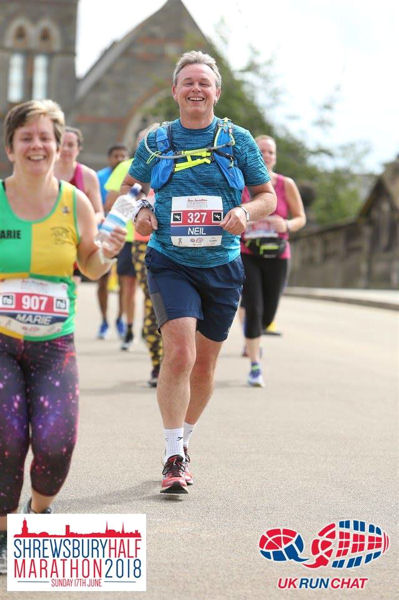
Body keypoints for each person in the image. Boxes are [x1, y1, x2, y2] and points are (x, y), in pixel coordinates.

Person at [120, 50, 276, 494]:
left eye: (203, 83)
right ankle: (172, 454)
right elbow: (128, 190)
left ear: (216, 92)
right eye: (187, 81)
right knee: (181, 354)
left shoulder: (237, 139)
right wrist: (143, 211)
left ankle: (184, 442)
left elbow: (267, 196)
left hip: (223, 264)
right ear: (175, 91)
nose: (195, 89)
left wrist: (246, 211)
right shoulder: (156, 140)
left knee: (205, 366)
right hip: (170, 260)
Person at [0, 100, 125, 574]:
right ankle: (1, 531)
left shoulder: (76, 203)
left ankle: (38, 514)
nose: (37, 145)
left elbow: (90, 266)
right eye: (26, 137)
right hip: (0, 343)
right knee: (4, 438)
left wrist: (108, 252)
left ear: (58, 146)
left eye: (45, 137)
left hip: (55, 346)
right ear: (11, 147)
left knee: (56, 442)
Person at [240, 135, 306, 387]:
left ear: (275, 157)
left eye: (270, 152)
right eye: (261, 151)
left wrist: (286, 223)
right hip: (248, 253)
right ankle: (255, 365)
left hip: (278, 255)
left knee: (268, 314)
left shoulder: (285, 184)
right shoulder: (242, 184)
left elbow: (301, 218)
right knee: (253, 310)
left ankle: (255, 336)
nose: (266, 155)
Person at [105, 128, 163, 384]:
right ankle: (158, 365)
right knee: (153, 303)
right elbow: (117, 210)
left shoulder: (180, 164)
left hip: (180, 246)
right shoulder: (134, 176)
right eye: (143, 144)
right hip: (143, 246)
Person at [96, 144, 129, 340]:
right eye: (115, 156)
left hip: (125, 234)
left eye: (122, 156)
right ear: (109, 158)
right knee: (102, 280)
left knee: (125, 282)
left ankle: (120, 319)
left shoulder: (131, 173)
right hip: (104, 233)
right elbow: (99, 204)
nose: (119, 159)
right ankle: (103, 320)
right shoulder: (100, 177)